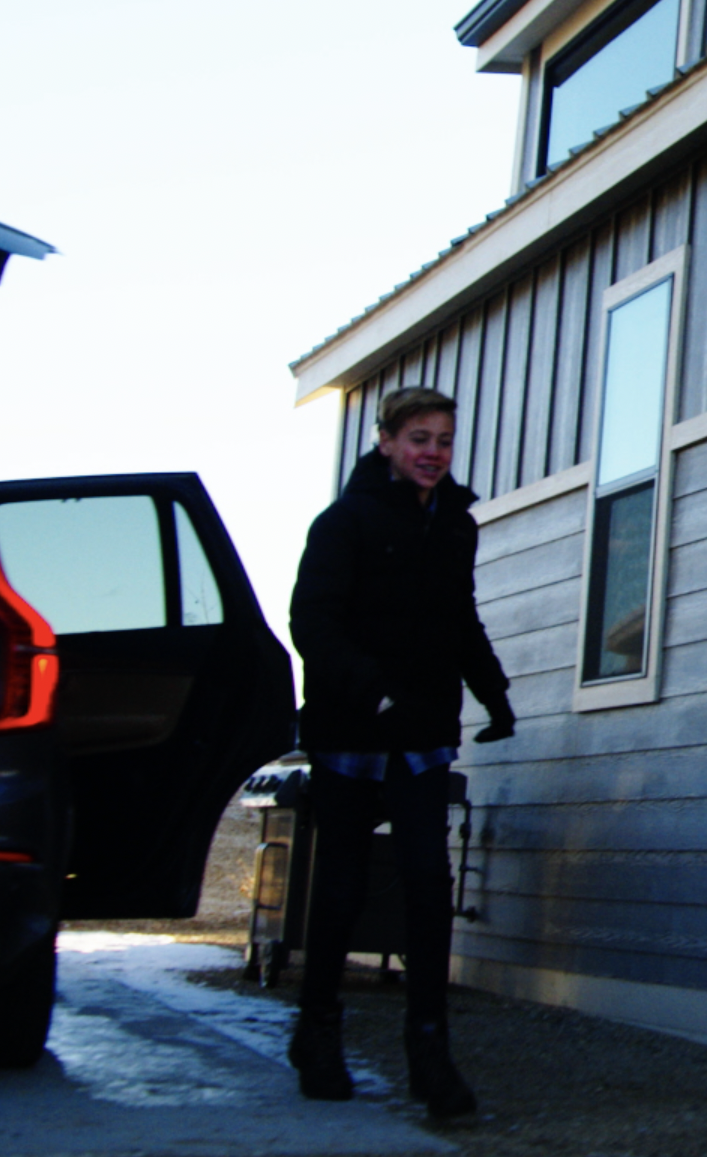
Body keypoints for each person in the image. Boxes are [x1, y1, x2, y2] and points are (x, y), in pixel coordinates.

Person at [286, 386, 516, 1117]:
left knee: (426, 888)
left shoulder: (456, 525)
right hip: (351, 735)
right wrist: (374, 691)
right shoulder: (343, 522)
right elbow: (310, 622)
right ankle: (316, 1033)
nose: (433, 453)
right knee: (343, 889)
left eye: (444, 439)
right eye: (419, 438)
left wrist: (494, 692)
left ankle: (430, 1055)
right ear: (386, 440)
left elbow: (459, 616)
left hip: (422, 735)